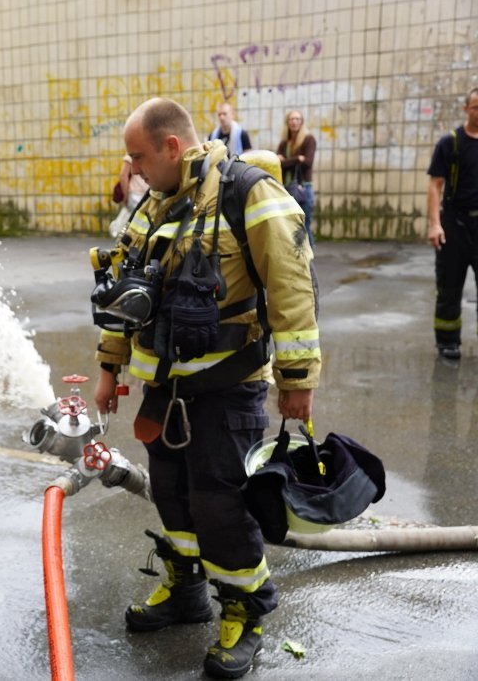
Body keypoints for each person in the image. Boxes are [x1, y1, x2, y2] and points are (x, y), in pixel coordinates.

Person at [94, 98, 320, 679]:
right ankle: (185, 590)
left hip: (228, 387)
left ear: (172, 146)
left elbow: (292, 289)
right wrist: (108, 369)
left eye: (139, 156)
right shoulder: (153, 203)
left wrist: (298, 382)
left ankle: (243, 613)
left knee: (221, 504)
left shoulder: (250, 193)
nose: (134, 169)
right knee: (173, 494)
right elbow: (123, 293)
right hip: (164, 390)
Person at [426, 87, 478, 361]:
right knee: (449, 287)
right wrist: (435, 224)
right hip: (454, 223)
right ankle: (447, 342)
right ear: (466, 109)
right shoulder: (450, 143)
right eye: (475, 107)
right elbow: (435, 186)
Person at [276, 109, 317, 246]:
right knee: (289, 228)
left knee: (304, 226)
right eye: (291, 119)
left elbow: (307, 163)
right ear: (287, 122)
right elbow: (277, 164)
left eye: (297, 119)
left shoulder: (308, 140)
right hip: (286, 189)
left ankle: (309, 261)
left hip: (303, 188)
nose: (294, 122)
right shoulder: (284, 143)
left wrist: (287, 160)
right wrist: (297, 159)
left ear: (302, 122)